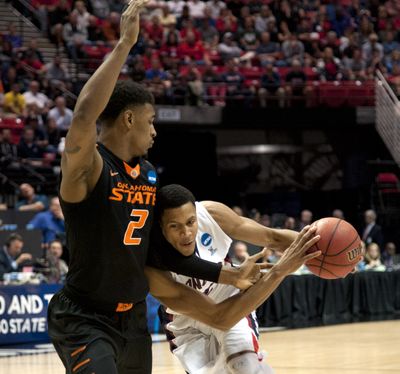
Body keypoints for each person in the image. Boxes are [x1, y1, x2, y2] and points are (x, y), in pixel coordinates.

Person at [47, 3, 268, 373]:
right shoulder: (89, 168)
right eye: (150, 121)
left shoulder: (148, 174)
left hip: (133, 319)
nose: (154, 131)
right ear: (129, 119)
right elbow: (84, 115)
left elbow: (160, 256)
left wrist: (228, 275)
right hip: (85, 317)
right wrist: (124, 45)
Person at [155, 184, 301, 373]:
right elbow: (217, 317)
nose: (186, 233)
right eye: (175, 226)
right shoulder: (152, 261)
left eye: (191, 222)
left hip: (226, 297)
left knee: (244, 363)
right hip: (186, 319)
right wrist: (279, 271)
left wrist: (317, 242)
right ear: (160, 225)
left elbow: (272, 237)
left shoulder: (211, 214)